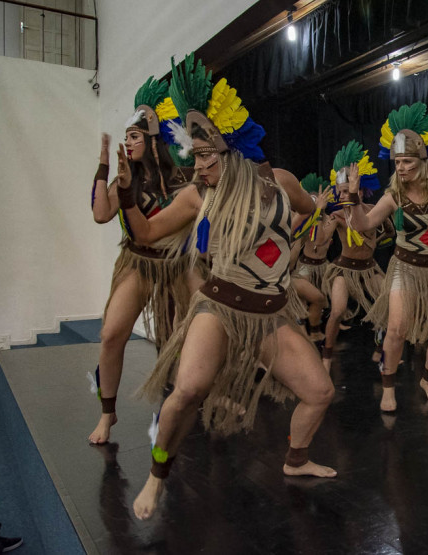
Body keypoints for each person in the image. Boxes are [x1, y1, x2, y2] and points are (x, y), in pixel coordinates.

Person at [127, 54, 334, 520]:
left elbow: (306, 209)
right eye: (194, 155)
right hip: (218, 308)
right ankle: (157, 474)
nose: (197, 165)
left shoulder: (280, 182)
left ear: (232, 149)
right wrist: (124, 193)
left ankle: (296, 459)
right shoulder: (198, 195)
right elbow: (147, 233)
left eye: (205, 155)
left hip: (271, 314)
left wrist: (291, 238)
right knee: (187, 391)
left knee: (320, 391)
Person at [346, 102, 428, 411]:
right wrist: (353, 196)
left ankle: (427, 380)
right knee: (396, 329)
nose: (401, 168)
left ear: (423, 160)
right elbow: (363, 224)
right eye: (397, 162)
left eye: (407, 161)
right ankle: (388, 387)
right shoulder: (393, 196)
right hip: (405, 269)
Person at [86, 77, 196, 444]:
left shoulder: (181, 179)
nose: (128, 142)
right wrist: (104, 166)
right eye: (126, 136)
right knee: (111, 334)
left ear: (153, 139)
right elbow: (100, 214)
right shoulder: (124, 180)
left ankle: (193, 402)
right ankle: (107, 413)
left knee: (178, 341)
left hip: (175, 268)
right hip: (136, 264)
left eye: (135, 136)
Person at [320, 140, 393, 370]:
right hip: (345, 270)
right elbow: (322, 240)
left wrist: (373, 243)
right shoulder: (337, 216)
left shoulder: (373, 211)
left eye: (349, 190)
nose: (344, 195)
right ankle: (326, 357)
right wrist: (318, 215)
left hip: (370, 269)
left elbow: (390, 231)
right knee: (338, 311)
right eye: (340, 191)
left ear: (361, 190)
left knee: (388, 307)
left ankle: (380, 351)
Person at [290, 172, 336, 340]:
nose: (316, 201)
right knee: (303, 300)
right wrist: (314, 212)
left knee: (325, 300)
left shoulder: (330, 220)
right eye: (312, 199)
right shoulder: (300, 219)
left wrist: (319, 213)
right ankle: (303, 334)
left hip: (323, 266)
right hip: (304, 267)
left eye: (319, 198)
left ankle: (316, 331)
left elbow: (319, 240)